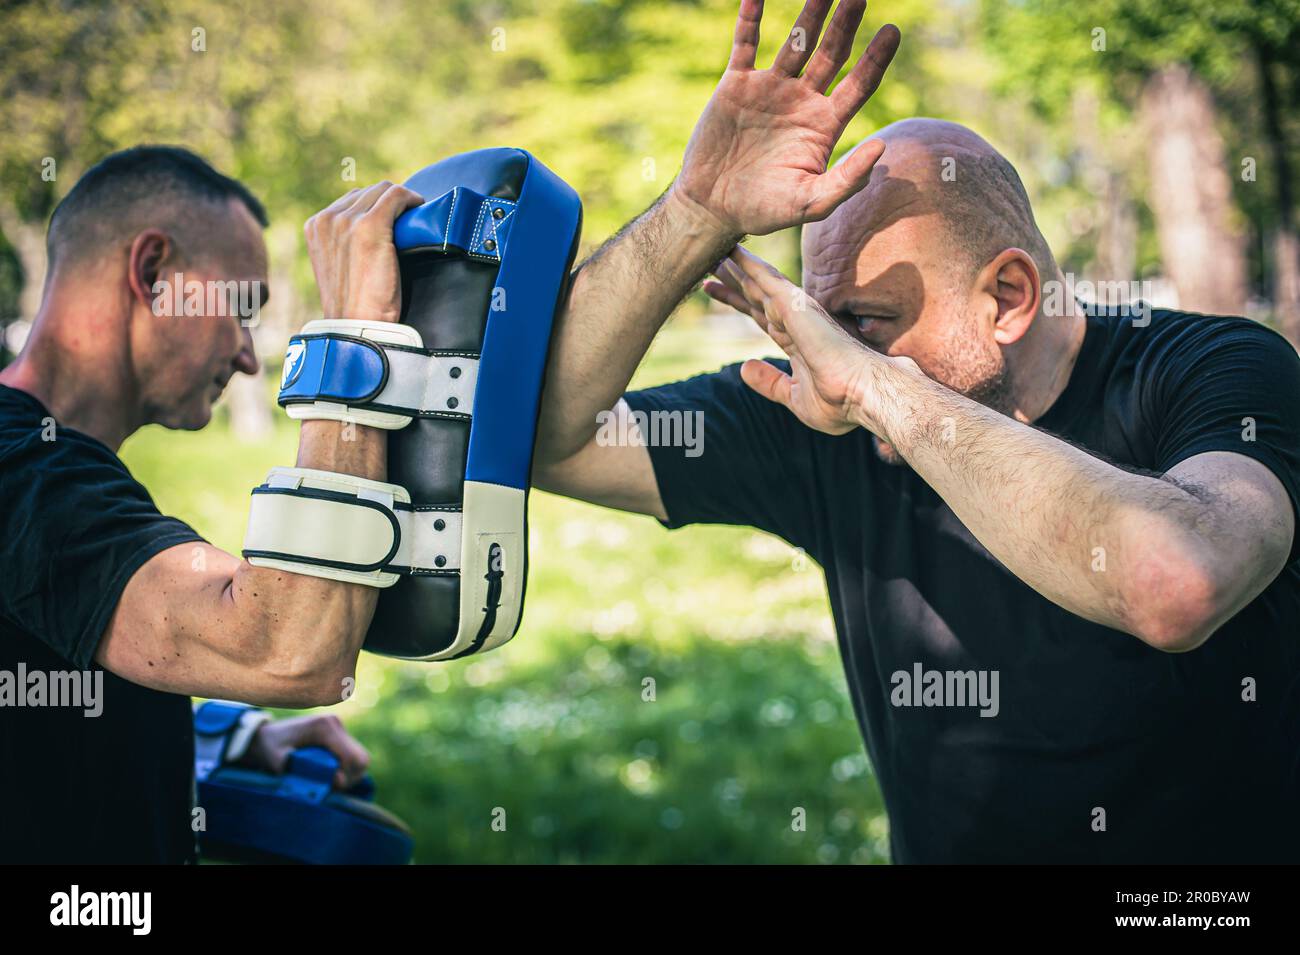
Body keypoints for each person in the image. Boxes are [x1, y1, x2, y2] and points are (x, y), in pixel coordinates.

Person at [534, 0, 1300, 862]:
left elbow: (1177, 582)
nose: (830, 355)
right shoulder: (820, 408)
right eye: (823, 321)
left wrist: (875, 383)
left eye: (867, 319)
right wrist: (694, 213)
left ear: (1008, 298)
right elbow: (549, 437)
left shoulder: (1216, 369)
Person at [0, 145, 423, 862]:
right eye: (242, 310)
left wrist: (223, 734)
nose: (250, 356)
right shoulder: (19, 471)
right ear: (154, 273)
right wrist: (354, 339)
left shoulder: (50, 467)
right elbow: (286, 651)